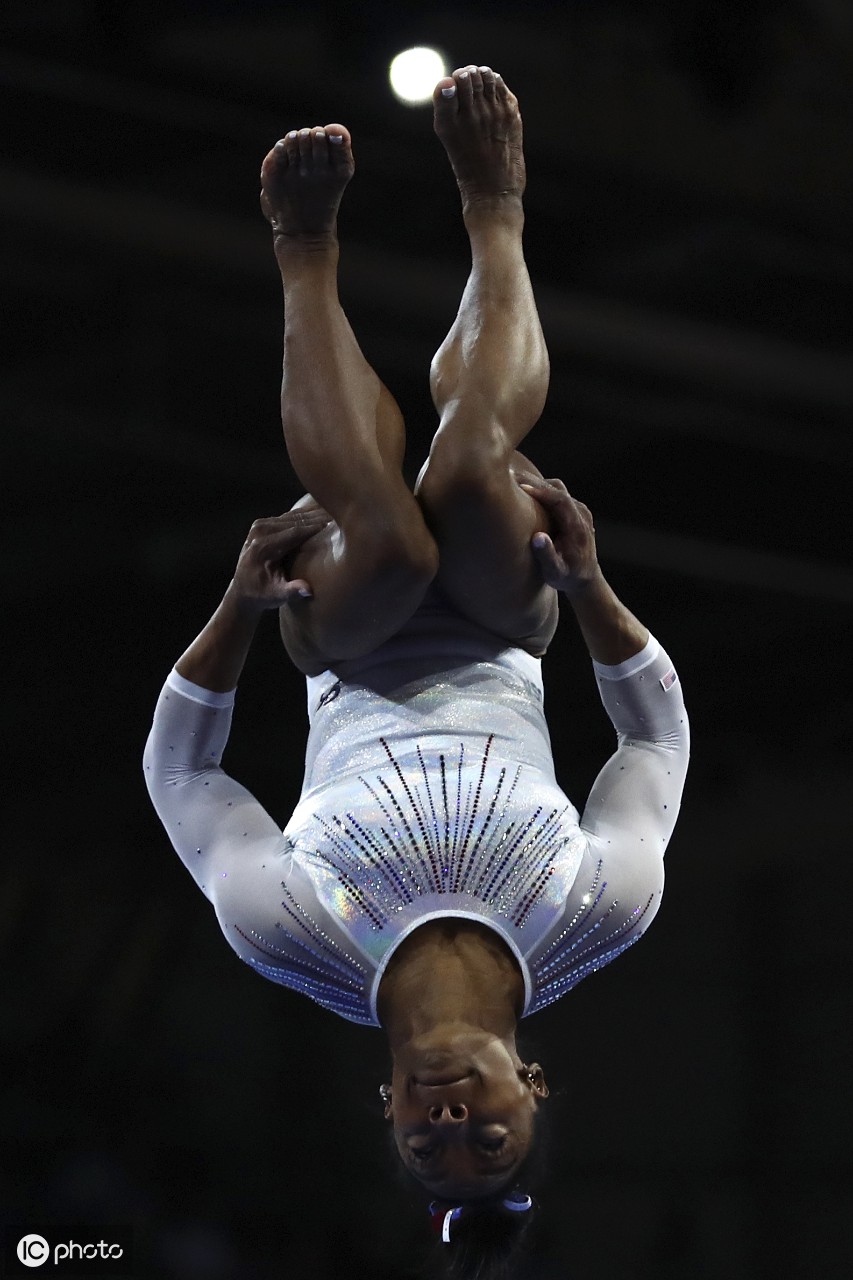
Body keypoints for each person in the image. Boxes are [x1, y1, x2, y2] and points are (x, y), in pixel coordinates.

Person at [144, 65, 689, 1276]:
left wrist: (239, 607)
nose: (453, 1120)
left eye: (430, 1145)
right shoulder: (594, 912)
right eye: (489, 1136)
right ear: (532, 1081)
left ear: (381, 1111)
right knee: (469, 475)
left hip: (344, 631)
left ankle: (303, 247)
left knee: (389, 538)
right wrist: (590, 586)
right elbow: (654, 744)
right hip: (506, 625)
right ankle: (496, 211)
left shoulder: (293, 936)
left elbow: (183, 776)